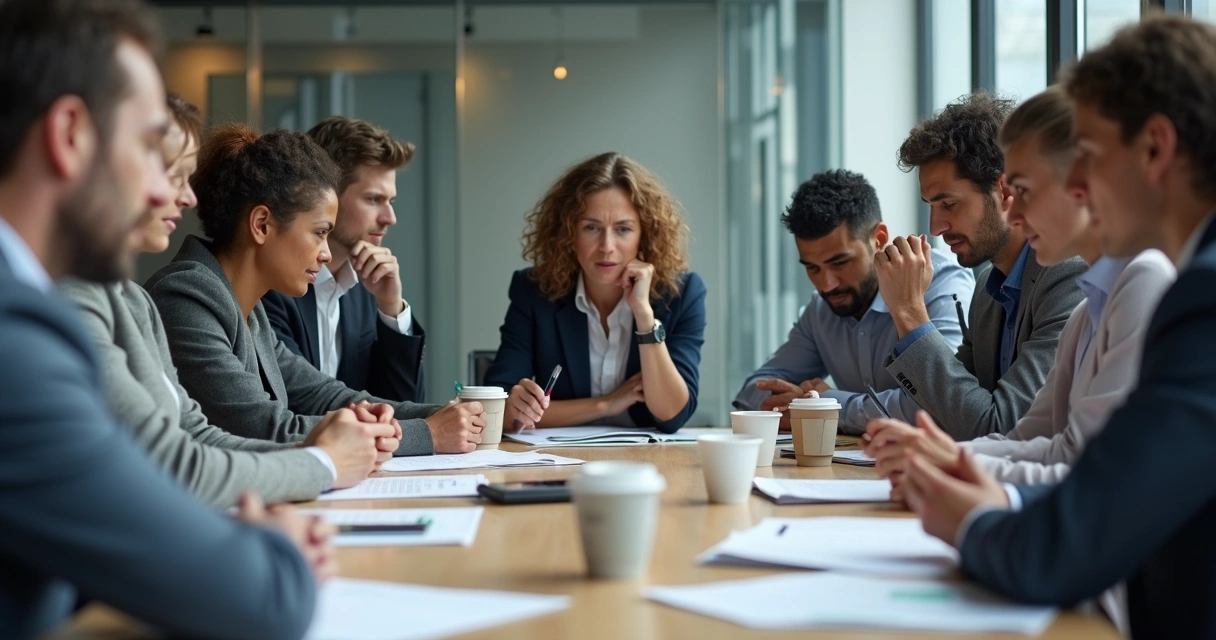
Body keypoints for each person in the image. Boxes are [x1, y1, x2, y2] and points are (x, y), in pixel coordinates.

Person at [0, 1, 326, 637]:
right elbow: (260, 602)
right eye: (150, 148)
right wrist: (277, 546)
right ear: (70, 135)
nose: (165, 193)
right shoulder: (15, 342)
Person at [897, 16, 1216, 638]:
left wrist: (968, 518)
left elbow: (1077, 534)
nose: (1074, 184)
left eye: (1089, 157)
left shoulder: (1199, 295)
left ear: (1155, 148)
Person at [58, 94, 397, 508]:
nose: (187, 198)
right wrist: (323, 462)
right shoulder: (174, 296)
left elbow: (196, 437)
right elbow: (181, 458)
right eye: (172, 175)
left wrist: (342, 448)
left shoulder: (135, 299)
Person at [145, 125, 483, 455]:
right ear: (262, 224)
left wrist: (447, 416)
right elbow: (265, 428)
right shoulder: (186, 297)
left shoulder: (249, 311)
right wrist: (427, 434)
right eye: (319, 232)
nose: (325, 253)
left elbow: (327, 396)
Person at [881, 92, 1088, 440]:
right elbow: (953, 412)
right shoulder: (987, 289)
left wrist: (910, 314)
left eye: (949, 204)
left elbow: (1001, 426)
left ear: (1005, 191)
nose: (935, 227)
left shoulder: (1069, 276)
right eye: (931, 206)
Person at [733, 169, 975, 434]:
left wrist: (825, 406)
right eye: (812, 268)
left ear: (879, 239)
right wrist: (795, 404)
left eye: (840, 262)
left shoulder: (942, 285)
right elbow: (754, 391)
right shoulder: (820, 311)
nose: (827, 284)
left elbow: (943, 407)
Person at [484, 152, 706, 432]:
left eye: (623, 229)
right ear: (568, 233)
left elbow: (672, 414)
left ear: (645, 235)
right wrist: (605, 404)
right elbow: (497, 412)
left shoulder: (682, 293)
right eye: (591, 228)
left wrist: (644, 315)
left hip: (649, 463)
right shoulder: (534, 291)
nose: (607, 246)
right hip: (557, 462)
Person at [263, 116, 427, 403]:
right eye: (374, 199)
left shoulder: (367, 287)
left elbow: (404, 403)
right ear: (326, 195)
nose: (390, 218)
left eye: (391, 201)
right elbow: (297, 403)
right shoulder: (272, 283)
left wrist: (391, 309)